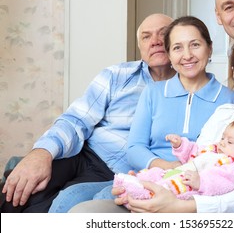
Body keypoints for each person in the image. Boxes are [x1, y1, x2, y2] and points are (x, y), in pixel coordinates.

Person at [70, 31, 234, 213]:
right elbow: (196, 164)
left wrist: (179, 207)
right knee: (85, 213)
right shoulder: (224, 114)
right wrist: (152, 181)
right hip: (184, 206)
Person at [50, 15, 234, 212]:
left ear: (209, 48)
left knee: (101, 199)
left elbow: (231, 154)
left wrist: (184, 173)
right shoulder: (154, 92)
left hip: (193, 186)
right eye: (177, 48)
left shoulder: (231, 100)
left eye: (195, 45)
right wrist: (167, 166)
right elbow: (134, 148)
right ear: (169, 53)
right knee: (68, 197)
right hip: (149, 177)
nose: (187, 55)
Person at [0, 13, 177, 213]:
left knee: (57, 208)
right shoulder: (117, 75)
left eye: (163, 34)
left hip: (116, 175)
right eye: (146, 37)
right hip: (82, 154)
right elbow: (76, 120)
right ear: (140, 46)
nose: (155, 41)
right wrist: (42, 153)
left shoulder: (188, 93)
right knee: (15, 193)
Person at [113, 116, 234, 200]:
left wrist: (201, 182)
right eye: (223, 137)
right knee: (155, 173)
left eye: (230, 141)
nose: (223, 142)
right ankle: (135, 182)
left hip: (190, 185)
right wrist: (180, 145)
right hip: (178, 171)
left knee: (168, 187)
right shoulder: (214, 150)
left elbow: (225, 181)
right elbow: (195, 153)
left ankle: (139, 193)